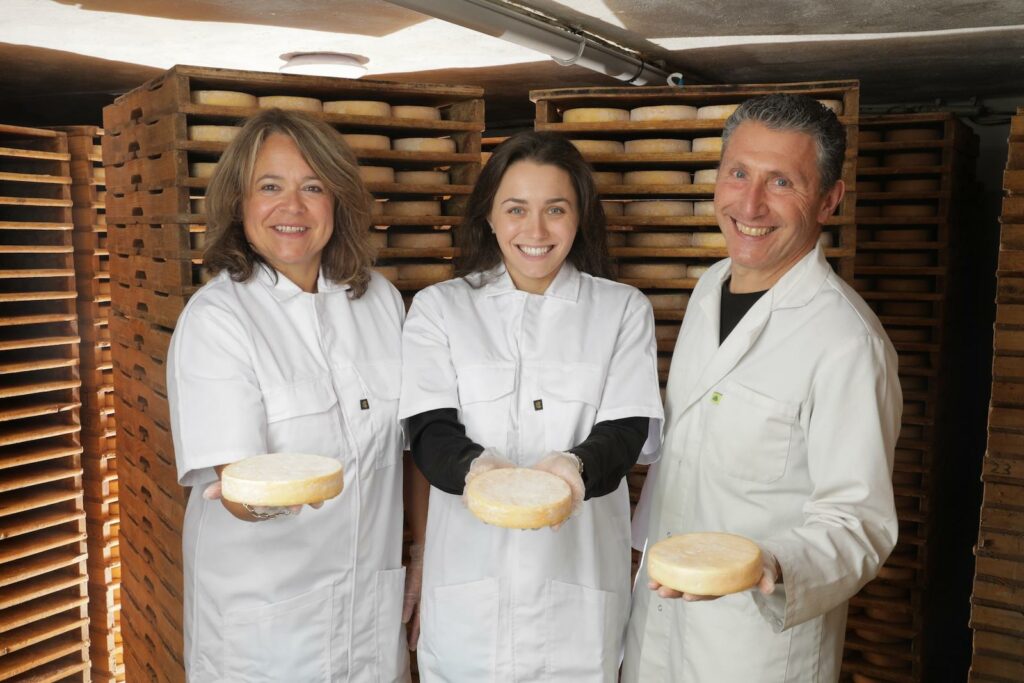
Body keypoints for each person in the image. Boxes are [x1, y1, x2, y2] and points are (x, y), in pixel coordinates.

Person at [623, 94, 902, 682]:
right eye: (739, 173)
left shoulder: (847, 343)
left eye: (782, 182)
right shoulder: (709, 288)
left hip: (756, 644)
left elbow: (861, 524)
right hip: (658, 618)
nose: (750, 203)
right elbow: (687, 450)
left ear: (829, 200)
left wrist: (766, 565)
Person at [167, 108, 423, 682]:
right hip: (267, 624)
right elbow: (236, 486)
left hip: (370, 615)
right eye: (270, 187)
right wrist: (251, 498)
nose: (293, 207)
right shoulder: (219, 319)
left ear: (338, 201)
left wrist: (422, 554)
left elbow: (410, 447)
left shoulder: (379, 301)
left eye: (313, 187)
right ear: (239, 203)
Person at [399, 131, 664, 681]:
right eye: (516, 209)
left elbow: (626, 429)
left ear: (579, 218)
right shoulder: (440, 310)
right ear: (489, 217)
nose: (536, 231)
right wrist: (481, 471)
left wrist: (572, 468)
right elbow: (429, 431)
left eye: (556, 210)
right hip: (468, 602)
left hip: (578, 604)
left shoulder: (621, 310)